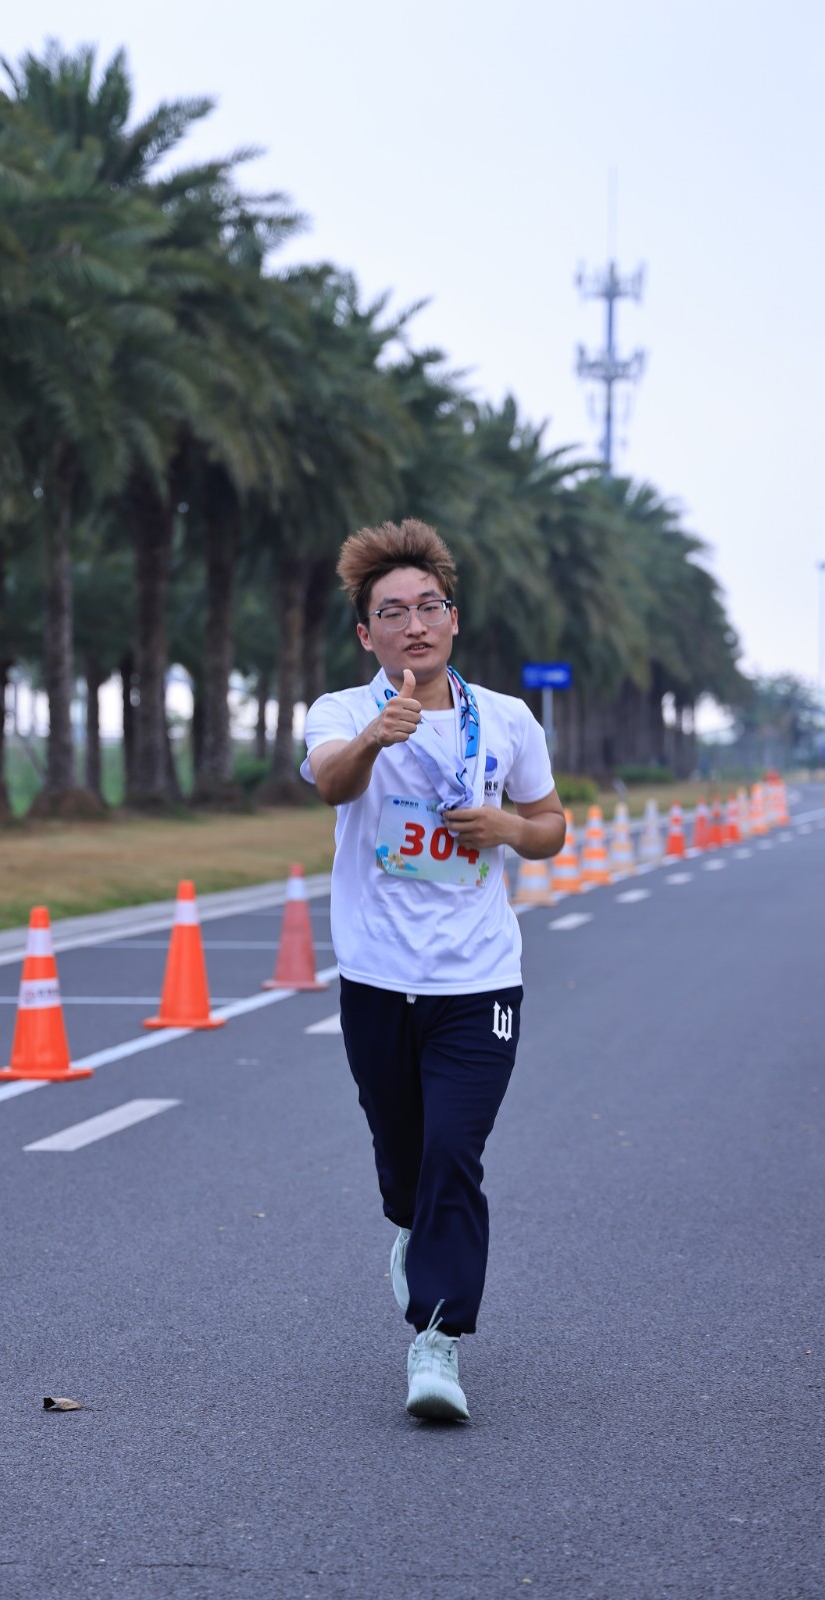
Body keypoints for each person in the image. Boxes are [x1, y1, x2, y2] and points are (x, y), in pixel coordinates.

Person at [301, 518, 565, 1421]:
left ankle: (437, 1339)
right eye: (392, 612)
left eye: (429, 606)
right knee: (405, 1159)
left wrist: (508, 829)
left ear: (452, 618)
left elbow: (550, 826)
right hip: (378, 977)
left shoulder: (508, 719)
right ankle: (414, 1230)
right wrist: (376, 738)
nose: (413, 624)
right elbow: (331, 782)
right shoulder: (342, 713)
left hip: (478, 979)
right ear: (365, 632)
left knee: (455, 1150)